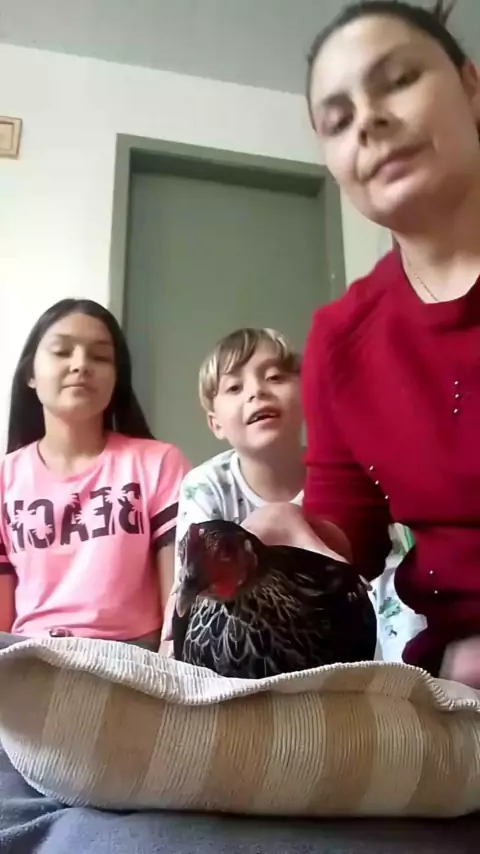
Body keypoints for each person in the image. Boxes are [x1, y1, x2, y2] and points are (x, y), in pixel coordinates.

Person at [292, 0, 480, 685]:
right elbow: (349, 535)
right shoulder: (339, 341)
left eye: (398, 81)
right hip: (455, 683)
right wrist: (291, 544)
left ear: (471, 87)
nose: (368, 120)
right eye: (337, 121)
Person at [0, 299, 190, 650]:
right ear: (30, 374)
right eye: (62, 352)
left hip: (132, 657)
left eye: (100, 357)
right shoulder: (5, 479)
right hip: (29, 656)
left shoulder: (159, 464)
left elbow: (180, 604)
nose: (80, 365)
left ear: (117, 379)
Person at [161, 327, 308, 641]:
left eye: (274, 377)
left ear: (308, 392)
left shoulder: (339, 478)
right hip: (240, 641)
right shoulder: (206, 486)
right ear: (216, 423)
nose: (257, 391)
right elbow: (192, 585)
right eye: (235, 387)